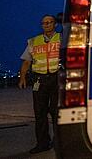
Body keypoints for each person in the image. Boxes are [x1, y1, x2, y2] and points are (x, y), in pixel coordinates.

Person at [19, 14, 61, 154]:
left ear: (55, 24)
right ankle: (42, 143)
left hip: (57, 78)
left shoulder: (62, 38)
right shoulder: (34, 41)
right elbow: (26, 61)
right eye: (44, 23)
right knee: (39, 112)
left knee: (56, 112)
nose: (47, 25)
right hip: (39, 80)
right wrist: (22, 78)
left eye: (49, 22)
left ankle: (59, 141)